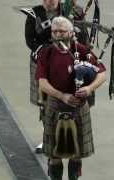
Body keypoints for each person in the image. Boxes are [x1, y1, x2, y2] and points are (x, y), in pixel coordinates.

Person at [35, 16, 106, 180]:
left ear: (71, 32)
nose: (58, 34)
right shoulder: (46, 53)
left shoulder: (81, 51)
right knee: (54, 156)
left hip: (78, 107)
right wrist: (62, 96)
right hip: (55, 106)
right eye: (54, 31)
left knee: (76, 154)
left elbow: (102, 74)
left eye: (61, 31)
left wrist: (89, 88)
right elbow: (42, 83)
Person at [24, 0, 90, 153]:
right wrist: (47, 53)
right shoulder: (34, 14)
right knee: (45, 104)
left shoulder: (74, 11)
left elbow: (83, 38)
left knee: (70, 102)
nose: (48, 1)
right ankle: (47, 138)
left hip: (67, 64)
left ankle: (72, 138)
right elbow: (30, 40)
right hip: (43, 65)